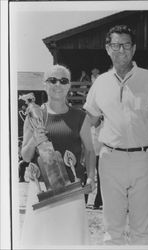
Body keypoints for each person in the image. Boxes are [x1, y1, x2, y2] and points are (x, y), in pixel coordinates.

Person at [83, 25, 148, 245]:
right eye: (115, 45)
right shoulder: (100, 83)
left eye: (125, 45)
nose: (121, 50)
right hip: (110, 159)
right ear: (108, 48)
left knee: (141, 231)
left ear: (133, 49)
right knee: (111, 232)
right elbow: (89, 122)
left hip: (145, 159)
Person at [20, 64, 96, 247]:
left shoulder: (80, 116)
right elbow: (26, 155)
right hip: (42, 190)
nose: (58, 84)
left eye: (63, 80)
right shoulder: (34, 114)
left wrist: (91, 177)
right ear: (45, 84)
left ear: (69, 86)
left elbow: (90, 150)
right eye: (52, 80)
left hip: (71, 189)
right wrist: (34, 139)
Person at [91, 116, 103, 209]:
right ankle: (97, 201)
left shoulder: (104, 127)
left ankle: (98, 201)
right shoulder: (89, 129)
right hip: (93, 157)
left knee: (100, 179)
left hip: (102, 157)